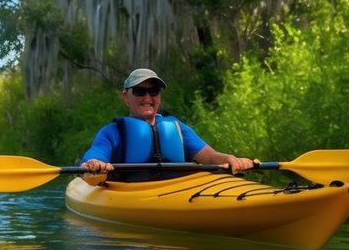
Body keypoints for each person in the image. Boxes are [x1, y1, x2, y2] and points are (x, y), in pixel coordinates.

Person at [80, 69, 254, 178]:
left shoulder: (176, 127)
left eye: (153, 91)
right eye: (140, 91)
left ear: (159, 97)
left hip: (176, 191)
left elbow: (209, 156)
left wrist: (230, 159)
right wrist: (95, 165)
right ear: (126, 97)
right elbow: (92, 159)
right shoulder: (111, 133)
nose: (148, 98)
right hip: (129, 193)